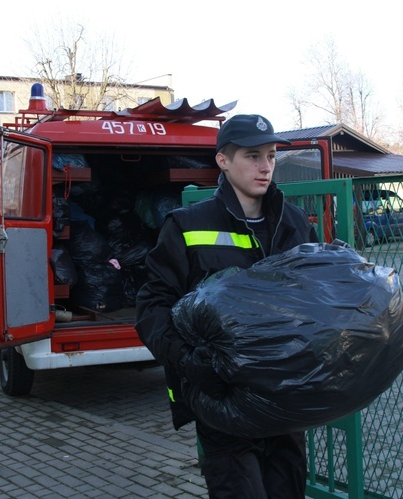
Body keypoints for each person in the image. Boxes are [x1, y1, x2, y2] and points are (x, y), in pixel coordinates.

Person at [135, 114, 319, 498]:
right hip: (224, 404)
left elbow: (316, 298)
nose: (265, 167)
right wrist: (189, 362)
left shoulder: (296, 223)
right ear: (223, 160)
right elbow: (152, 308)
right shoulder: (186, 224)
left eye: (270, 156)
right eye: (253, 156)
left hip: (284, 400)